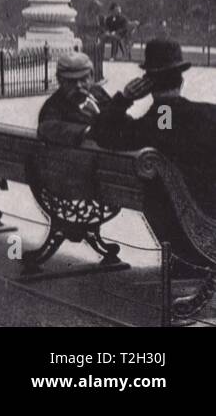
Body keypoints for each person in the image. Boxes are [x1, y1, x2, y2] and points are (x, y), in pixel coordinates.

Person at [91, 38, 216, 303]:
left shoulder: (153, 125)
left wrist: (124, 99)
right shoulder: (207, 114)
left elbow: (102, 132)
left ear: (148, 83)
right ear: (180, 79)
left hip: (185, 234)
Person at [37, 51, 111, 146]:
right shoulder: (53, 106)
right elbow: (46, 128)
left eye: (83, 79)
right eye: (71, 81)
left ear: (92, 76)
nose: (78, 85)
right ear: (59, 80)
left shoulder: (97, 92)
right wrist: (88, 131)